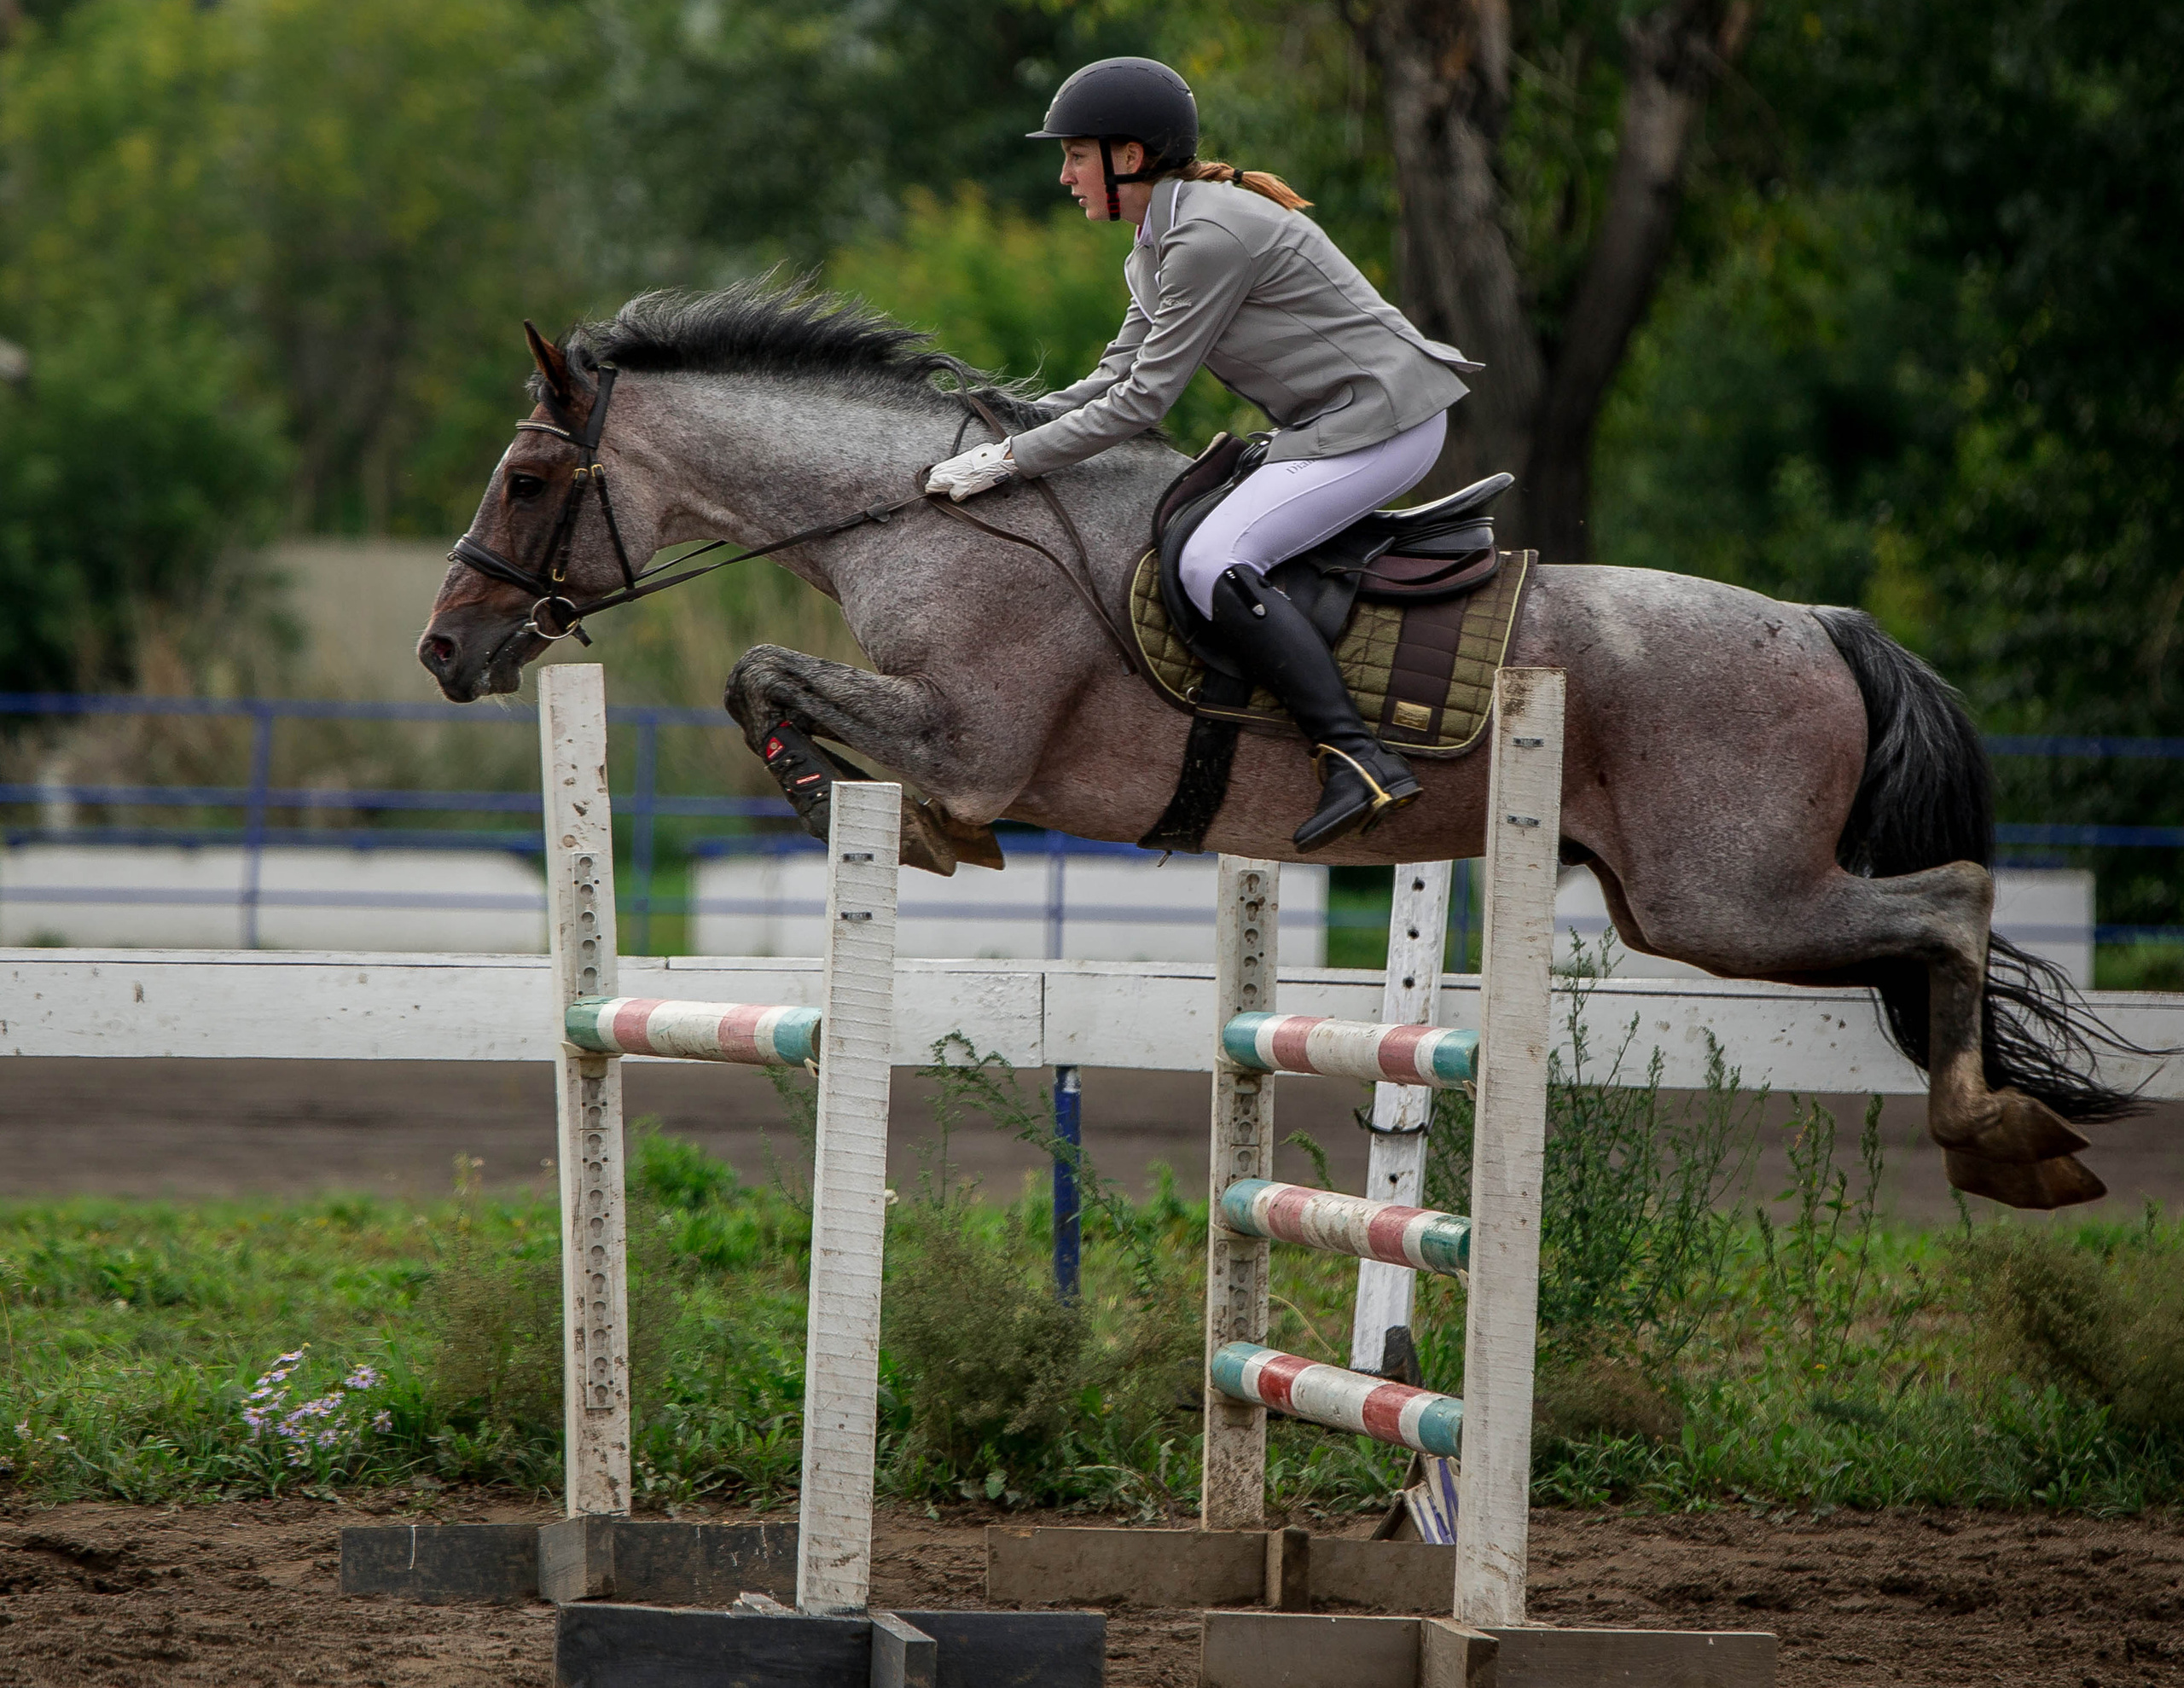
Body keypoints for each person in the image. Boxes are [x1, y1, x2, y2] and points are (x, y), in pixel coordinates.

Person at [926, 55, 1480, 852]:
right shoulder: (1156, 243)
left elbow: (1145, 403)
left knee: (1211, 559)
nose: (1063, 176)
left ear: (1128, 157)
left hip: (1386, 422)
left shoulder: (1208, 236)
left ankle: (1357, 758)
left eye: (1075, 155)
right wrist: (1001, 426)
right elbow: (1114, 374)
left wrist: (1011, 462)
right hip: (1335, 423)